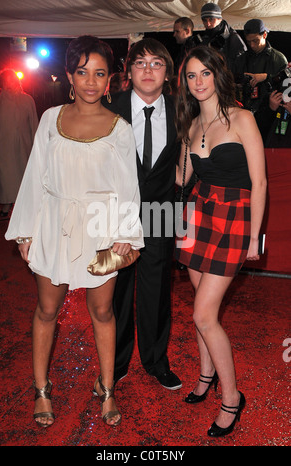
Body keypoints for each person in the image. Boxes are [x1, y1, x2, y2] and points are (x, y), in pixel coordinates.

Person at [5, 35, 144, 428]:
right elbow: (35, 177)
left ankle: (107, 387)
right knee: (47, 309)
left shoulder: (119, 128)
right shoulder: (50, 118)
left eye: (100, 73)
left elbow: (128, 187)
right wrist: (25, 231)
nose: (90, 81)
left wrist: (125, 235)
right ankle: (42, 390)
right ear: (69, 75)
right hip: (53, 223)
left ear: (111, 80)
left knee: (102, 311)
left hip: (102, 229)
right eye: (82, 72)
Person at [175, 46, 267, 437]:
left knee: (203, 315)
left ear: (217, 74)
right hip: (197, 216)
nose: (198, 82)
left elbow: (260, 182)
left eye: (204, 73)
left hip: (234, 218)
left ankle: (232, 398)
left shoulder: (242, 118)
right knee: (200, 307)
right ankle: (205, 375)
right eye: (191, 76)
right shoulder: (191, 125)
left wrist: (254, 237)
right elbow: (179, 180)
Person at [102, 38, 181, 390]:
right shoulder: (108, 109)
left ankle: (155, 360)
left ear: (168, 73)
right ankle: (115, 364)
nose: (148, 70)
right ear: (129, 72)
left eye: (156, 63)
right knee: (115, 291)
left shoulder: (183, 111)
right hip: (113, 213)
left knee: (157, 291)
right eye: (140, 63)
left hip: (162, 211)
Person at [0, 68, 38, 217]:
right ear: (2, 83)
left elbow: (34, 123)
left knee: (25, 174)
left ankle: (24, 205)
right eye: (7, 80)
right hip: (4, 145)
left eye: (12, 79)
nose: (10, 83)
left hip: (25, 144)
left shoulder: (27, 99)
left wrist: (37, 145)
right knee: (6, 176)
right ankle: (7, 203)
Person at [233, 19, 288, 142]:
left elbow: (286, 88)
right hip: (244, 114)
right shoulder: (241, 60)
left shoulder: (278, 58)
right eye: (248, 42)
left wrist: (266, 77)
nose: (252, 45)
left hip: (270, 116)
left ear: (264, 35)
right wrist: (239, 85)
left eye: (255, 41)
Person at [200, 2, 246, 71]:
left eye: (211, 19)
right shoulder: (205, 38)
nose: (208, 24)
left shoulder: (232, 37)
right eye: (204, 20)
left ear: (220, 19)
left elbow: (241, 65)